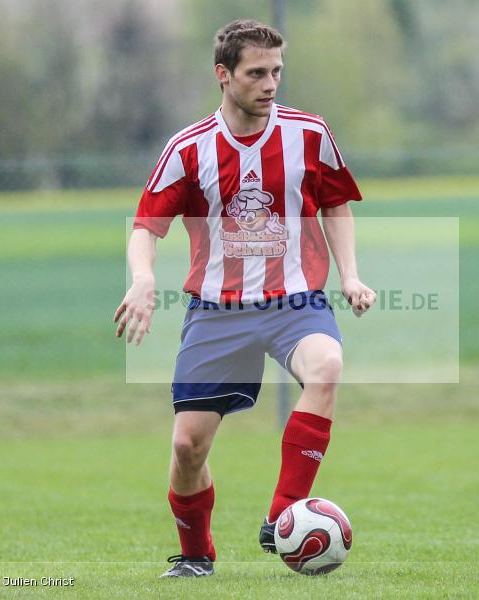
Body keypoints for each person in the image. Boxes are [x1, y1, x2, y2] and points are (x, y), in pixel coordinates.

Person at [113, 19, 375, 578]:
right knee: (187, 448)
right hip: (216, 310)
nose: (270, 83)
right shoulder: (189, 148)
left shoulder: (308, 133)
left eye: (277, 71)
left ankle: (283, 514)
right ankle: (195, 555)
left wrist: (350, 274)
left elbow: (336, 205)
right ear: (223, 75)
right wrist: (142, 277)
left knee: (327, 366)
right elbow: (147, 226)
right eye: (257, 73)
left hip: (294, 299)